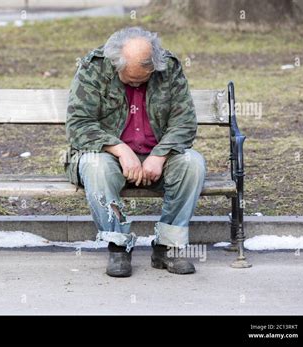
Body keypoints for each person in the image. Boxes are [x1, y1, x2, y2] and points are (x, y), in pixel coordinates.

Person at [65, 27, 206, 277]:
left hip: (157, 156)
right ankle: (118, 246)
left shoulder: (168, 67)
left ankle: (167, 247)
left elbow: (184, 122)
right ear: (115, 64)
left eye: (145, 78)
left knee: (192, 163)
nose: (139, 83)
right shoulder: (94, 68)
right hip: (107, 155)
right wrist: (119, 149)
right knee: (95, 167)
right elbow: (79, 125)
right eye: (131, 80)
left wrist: (160, 155)